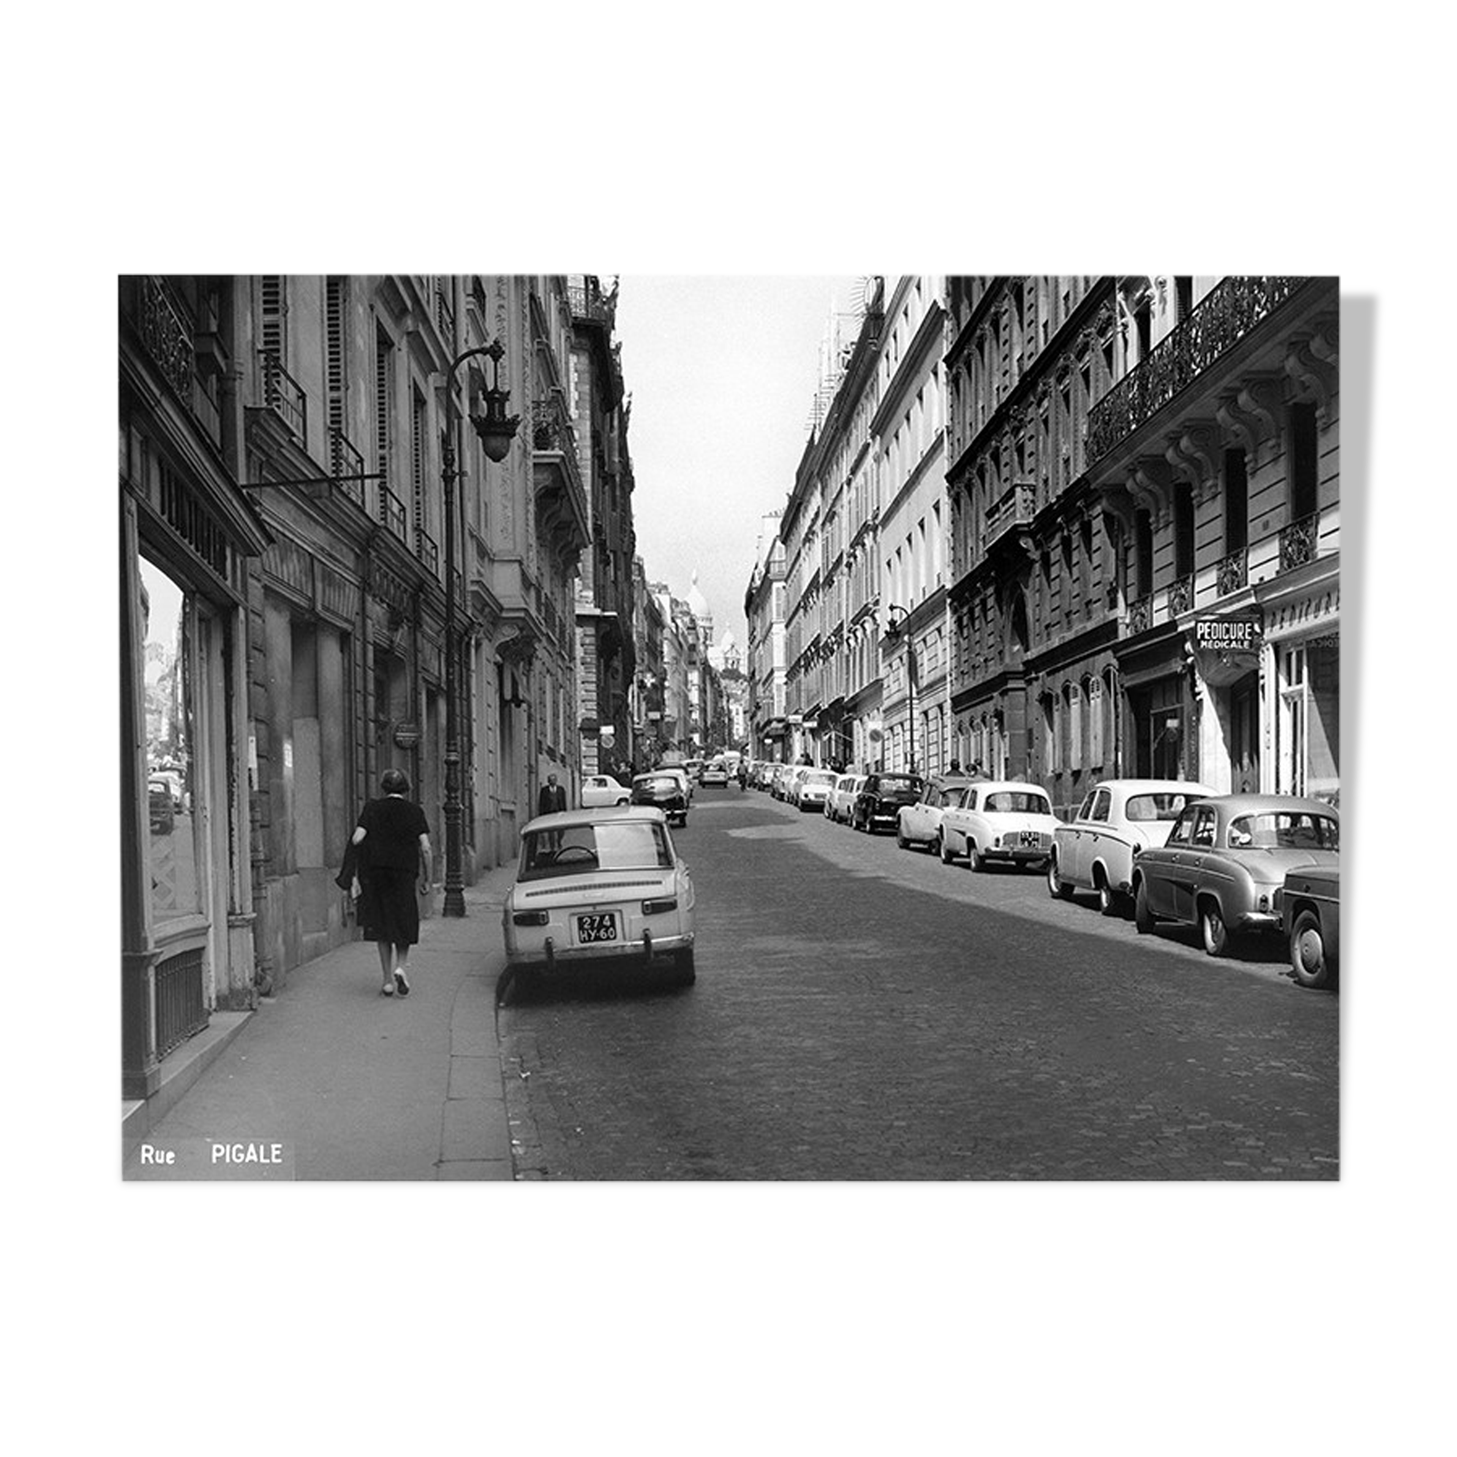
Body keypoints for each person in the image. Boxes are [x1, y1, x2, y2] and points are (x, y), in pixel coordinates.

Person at [342, 769, 432, 997]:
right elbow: (426, 847)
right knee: (404, 921)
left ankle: (386, 981)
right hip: (404, 874)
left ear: (383, 787)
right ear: (406, 788)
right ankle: (401, 966)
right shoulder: (414, 811)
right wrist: (428, 878)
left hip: (376, 874)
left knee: (382, 925)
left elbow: (357, 838)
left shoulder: (372, 809)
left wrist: (353, 870)